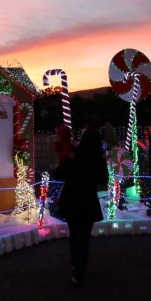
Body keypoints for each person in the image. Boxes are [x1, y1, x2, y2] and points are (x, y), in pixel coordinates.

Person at [56, 118, 108, 288]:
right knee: (84, 239)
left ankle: (74, 266)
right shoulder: (97, 160)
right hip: (88, 201)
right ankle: (79, 272)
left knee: (74, 235)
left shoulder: (74, 156)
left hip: (71, 200)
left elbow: (59, 174)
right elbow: (103, 180)